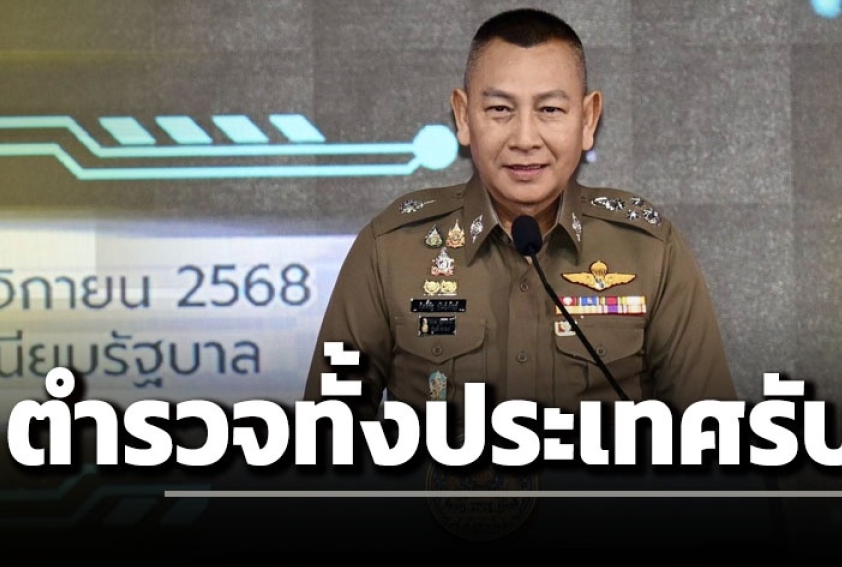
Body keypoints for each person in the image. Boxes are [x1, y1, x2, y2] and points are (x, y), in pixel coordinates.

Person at [303, 7, 737, 422]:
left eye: (550, 110)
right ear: (463, 115)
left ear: (588, 119)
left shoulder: (649, 251)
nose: (525, 139)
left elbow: (713, 438)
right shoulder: (392, 249)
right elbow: (324, 440)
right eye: (500, 110)